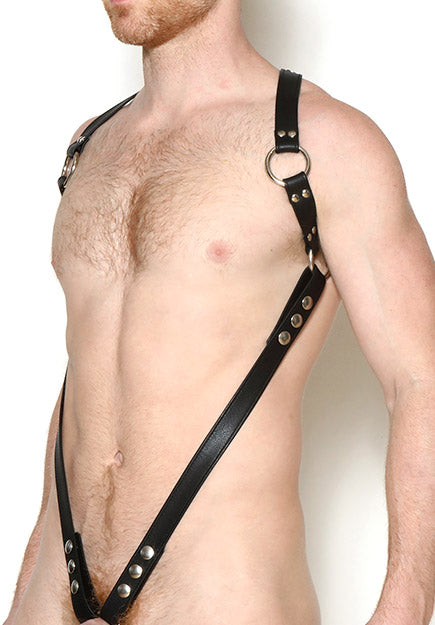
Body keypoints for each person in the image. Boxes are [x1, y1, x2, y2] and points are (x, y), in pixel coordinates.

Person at [4, 0, 434, 624]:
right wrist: (22, 596)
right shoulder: (88, 147)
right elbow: (88, 376)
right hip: (52, 601)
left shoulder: (323, 144)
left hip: (222, 599)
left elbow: (421, 379)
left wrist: (404, 609)